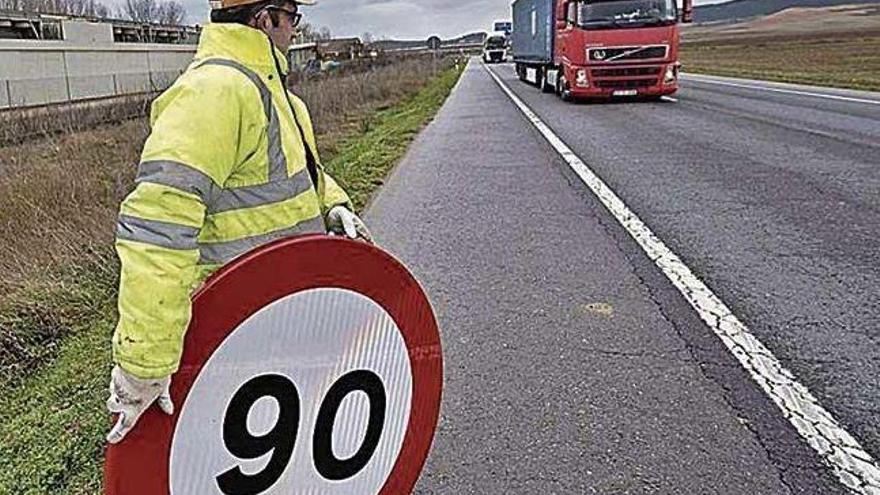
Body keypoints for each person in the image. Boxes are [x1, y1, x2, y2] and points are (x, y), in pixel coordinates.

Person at [105, 0, 371, 444]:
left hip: (290, 321)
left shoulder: (280, 98)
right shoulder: (213, 92)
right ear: (266, 19)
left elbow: (305, 179)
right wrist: (145, 365)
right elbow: (158, 228)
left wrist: (334, 205)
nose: (295, 31)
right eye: (293, 19)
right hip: (230, 336)